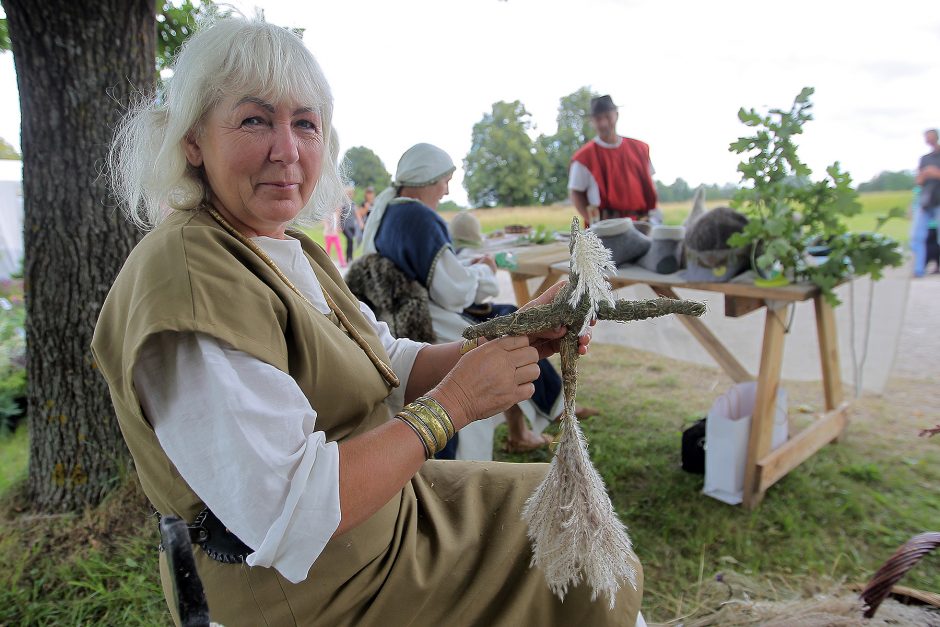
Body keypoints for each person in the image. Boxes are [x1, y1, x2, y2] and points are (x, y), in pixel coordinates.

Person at [92, 15, 642, 627]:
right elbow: (291, 511)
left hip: (378, 526)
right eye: (255, 120)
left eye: (305, 123)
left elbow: (390, 365)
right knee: (578, 555)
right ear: (193, 141)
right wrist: (455, 405)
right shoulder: (189, 278)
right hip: (314, 589)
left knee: (557, 509)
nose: (287, 150)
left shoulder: (285, 248)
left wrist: (519, 334)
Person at [361, 145, 594, 455]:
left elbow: (437, 276)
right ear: (429, 178)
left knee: (510, 318)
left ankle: (528, 423)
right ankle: (542, 415)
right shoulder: (416, 217)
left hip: (412, 315)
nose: (445, 191)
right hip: (429, 321)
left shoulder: (390, 214)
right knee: (507, 330)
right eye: (445, 181)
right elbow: (452, 292)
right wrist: (484, 272)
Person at [568, 95, 659, 226]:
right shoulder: (584, 158)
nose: (603, 123)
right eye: (598, 119)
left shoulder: (640, 149)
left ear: (616, 115)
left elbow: (651, 184)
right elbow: (576, 193)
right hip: (606, 226)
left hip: (641, 223)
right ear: (592, 121)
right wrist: (595, 224)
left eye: (607, 116)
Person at [913, 129, 940, 277]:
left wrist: (936, 173)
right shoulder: (925, 158)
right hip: (926, 201)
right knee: (917, 236)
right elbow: (918, 181)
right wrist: (922, 176)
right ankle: (918, 269)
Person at [341, 186, 361, 263]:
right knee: (350, 239)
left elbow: (357, 214)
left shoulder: (353, 204)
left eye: (351, 193)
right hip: (345, 226)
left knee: (350, 241)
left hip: (352, 226)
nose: (350, 195)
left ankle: (350, 258)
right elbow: (339, 214)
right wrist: (338, 226)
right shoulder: (343, 204)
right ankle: (349, 258)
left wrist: (360, 223)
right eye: (348, 193)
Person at [322, 203, 346, 267]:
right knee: (328, 249)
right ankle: (326, 262)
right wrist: (329, 229)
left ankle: (342, 262)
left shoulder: (336, 215)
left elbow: (337, 223)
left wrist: (338, 228)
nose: (339, 209)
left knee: (339, 248)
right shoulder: (328, 214)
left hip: (335, 234)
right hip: (328, 234)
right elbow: (325, 223)